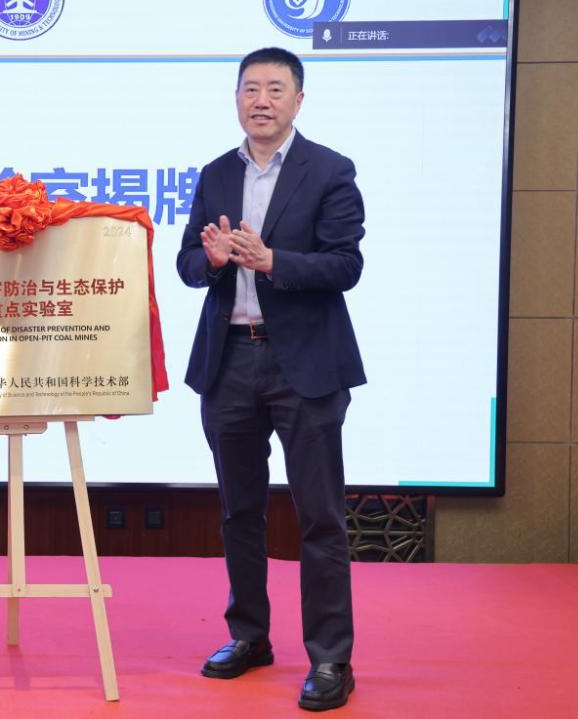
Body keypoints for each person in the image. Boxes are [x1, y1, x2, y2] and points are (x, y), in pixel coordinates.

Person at [176, 47, 365, 711]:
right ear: (236, 98)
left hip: (303, 365)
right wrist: (212, 260)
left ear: (298, 100)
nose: (261, 100)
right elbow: (187, 265)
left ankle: (331, 657)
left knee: (320, 517)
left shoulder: (330, 170)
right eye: (250, 88)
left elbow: (345, 265)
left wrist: (273, 259)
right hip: (229, 359)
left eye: (275, 89)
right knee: (239, 512)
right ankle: (250, 635)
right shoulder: (215, 173)